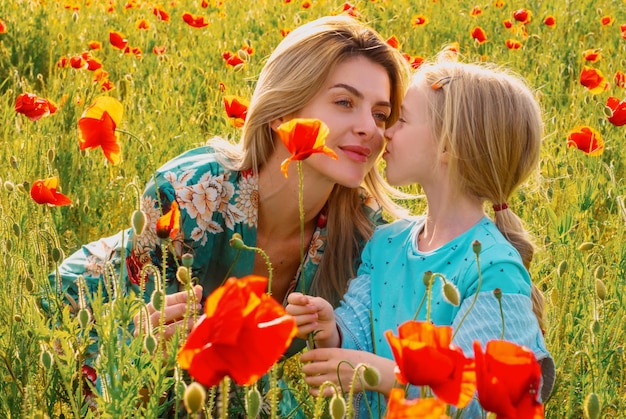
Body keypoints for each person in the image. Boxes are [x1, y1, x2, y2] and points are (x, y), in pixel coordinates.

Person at [50, 15, 410, 364]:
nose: (369, 128)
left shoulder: (365, 234)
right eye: (344, 102)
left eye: (381, 114)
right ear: (281, 111)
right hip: (89, 326)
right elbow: (143, 357)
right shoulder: (189, 195)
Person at [286, 57, 555, 417]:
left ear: (448, 146)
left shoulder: (492, 266)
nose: (387, 132)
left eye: (403, 119)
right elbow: (360, 341)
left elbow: (477, 395)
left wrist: (383, 374)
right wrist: (329, 328)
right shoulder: (386, 243)